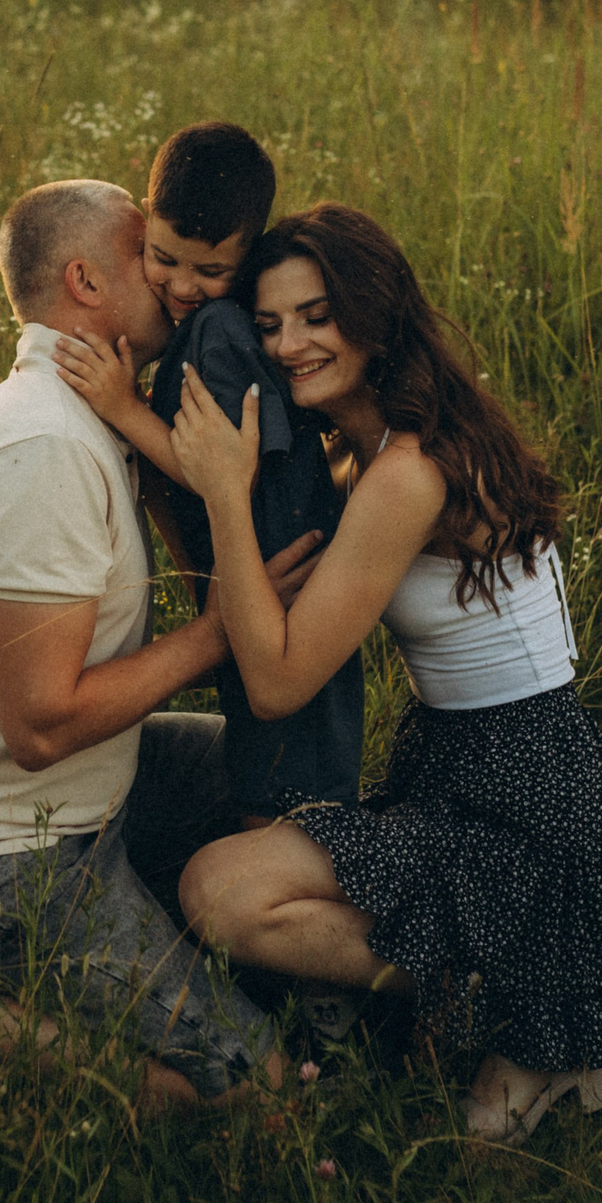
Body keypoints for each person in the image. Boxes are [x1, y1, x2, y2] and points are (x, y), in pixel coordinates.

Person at [168, 203, 602, 1141]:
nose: (290, 344)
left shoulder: (407, 473)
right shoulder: (379, 449)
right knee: (233, 878)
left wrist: (220, 487)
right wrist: (138, 420)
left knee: (221, 890)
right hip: (464, 766)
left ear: (375, 313)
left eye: (318, 315)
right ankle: (533, 996)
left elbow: (277, 681)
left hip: (532, 792)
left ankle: (540, 994)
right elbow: (259, 608)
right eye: (271, 323)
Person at [0, 178, 316, 1110]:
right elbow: (42, 724)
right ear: (86, 281)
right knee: (255, 1090)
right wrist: (221, 635)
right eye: (148, 259)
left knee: (278, 773)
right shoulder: (43, 447)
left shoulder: (90, 418)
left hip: (84, 798)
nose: (176, 284)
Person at [53, 122, 365, 826]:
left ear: (248, 258)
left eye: (212, 270)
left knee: (287, 793)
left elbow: (218, 472)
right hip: (259, 589)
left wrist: (122, 407)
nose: (184, 285)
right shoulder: (208, 327)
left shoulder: (221, 332)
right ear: (144, 222)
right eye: (164, 258)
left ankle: (296, 910)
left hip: (283, 595)